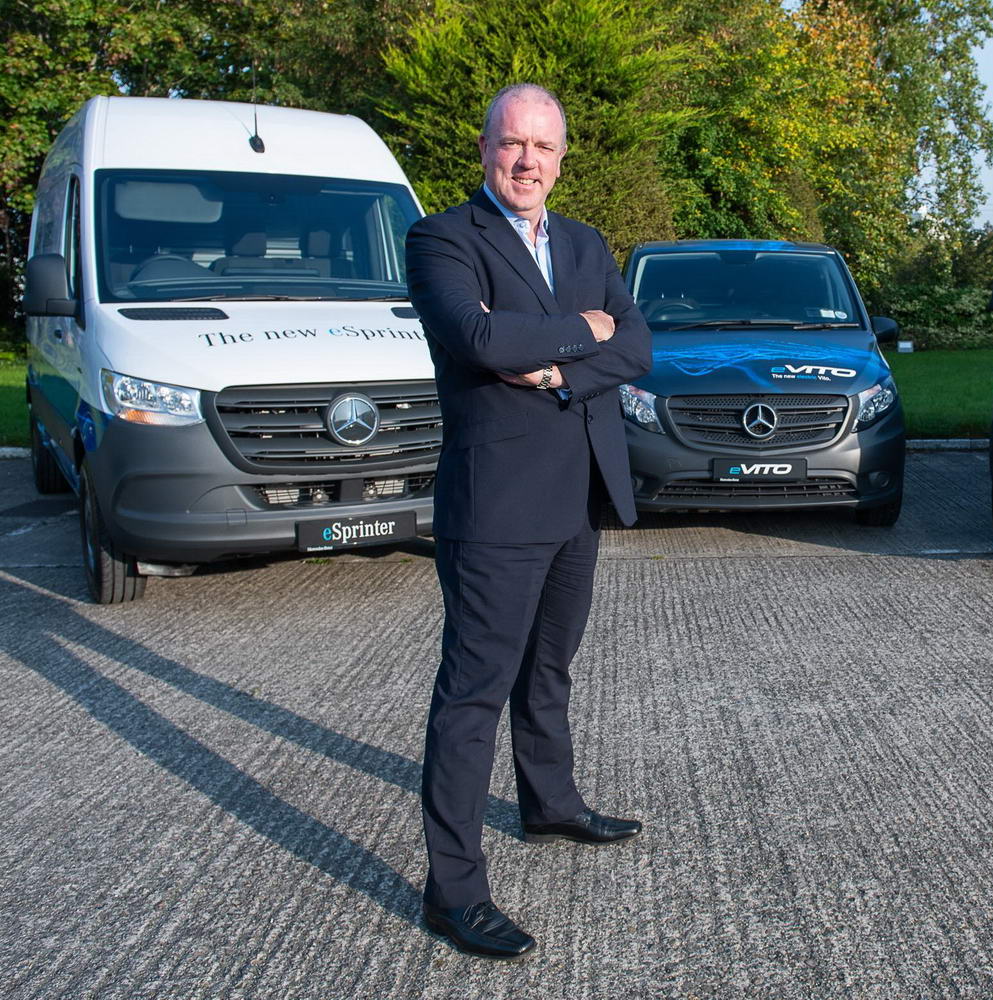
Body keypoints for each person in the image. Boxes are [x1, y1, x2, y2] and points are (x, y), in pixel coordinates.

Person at [404, 82, 652, 960]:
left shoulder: (584, 242)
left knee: (549, 669)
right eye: (512, 144)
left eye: (542, 148)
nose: (526, 162)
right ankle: (453, 890)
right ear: (483, 149)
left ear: (561, 157)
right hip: (497, 504)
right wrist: (577, 333)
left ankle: (549, 805)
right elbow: (476, 342)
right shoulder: (441, 238)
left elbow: (638, 343)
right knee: (473, 694)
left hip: (578, 494)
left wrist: (553, 364)